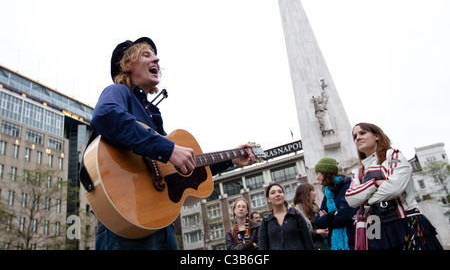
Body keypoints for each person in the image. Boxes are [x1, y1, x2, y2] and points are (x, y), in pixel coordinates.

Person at [83, 37, 256, 250]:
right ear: (126, 65)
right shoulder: (118, 92)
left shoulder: (153, 115)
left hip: (162, 225)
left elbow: (181, 169)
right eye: (146, 54)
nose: (156, 58)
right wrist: (169, 149)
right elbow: (106, 115)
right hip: (127, 221)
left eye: (154, 54)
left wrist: (230, 159)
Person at [345, 122, 443, 250]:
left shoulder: (394, 156)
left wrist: (365, 199)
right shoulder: (358, 172)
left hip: (405, 222)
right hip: (375, 229)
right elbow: (351, 199)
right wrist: (375, 183)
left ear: (376, 136)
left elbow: (394, 188)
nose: (358, 138)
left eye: (362, 133)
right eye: (355, 136)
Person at [313, 158, 358, 250]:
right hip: (333, 244)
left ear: (326, 173)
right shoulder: (328, 194)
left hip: (352, 241)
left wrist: (326, 218)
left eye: (318, 173)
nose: (317, 177)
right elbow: (318, 222)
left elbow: (344, 216)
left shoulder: (347, 187)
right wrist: (331, 215)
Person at [258, 183, 314, 250]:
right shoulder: (266, 221)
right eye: (273, 193)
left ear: (284, 195)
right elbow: (263, 246)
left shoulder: (295, 215)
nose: (277, 194)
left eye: (280, 192)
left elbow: (308, 242)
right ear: (268, 199)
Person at [293, 183, 328, 250]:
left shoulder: (315, 210)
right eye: (312, 191)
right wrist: (316, 232)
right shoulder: (297, 213)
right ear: (306, 194)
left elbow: (320, 229)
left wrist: (324, 219)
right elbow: (299, 235)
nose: (315, 193)